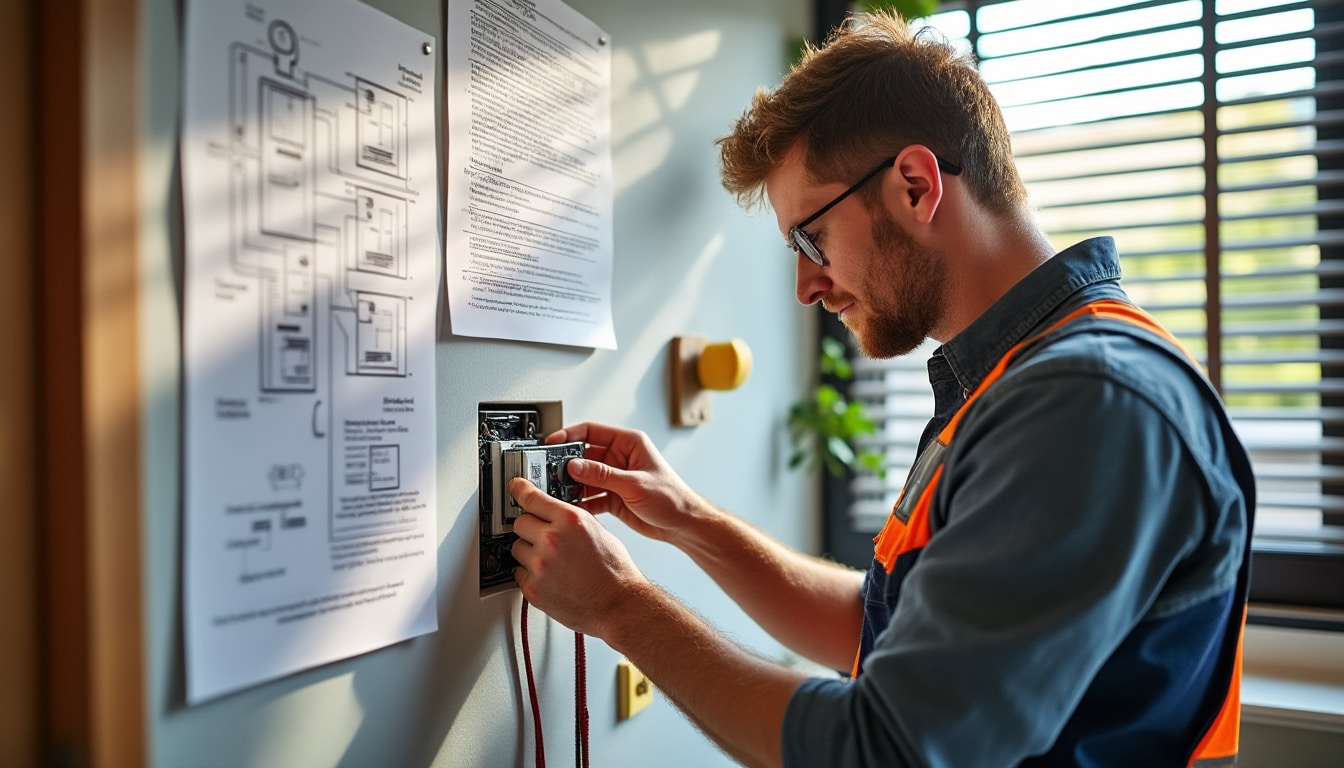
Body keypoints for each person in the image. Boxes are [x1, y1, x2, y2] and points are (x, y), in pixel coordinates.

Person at [508, 10, 1255, 767]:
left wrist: (620, 609)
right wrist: (688, 519)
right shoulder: (1016, 382)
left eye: (811, 238)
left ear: (914, 185)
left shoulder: (1088, 401)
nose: (805, 285)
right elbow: (879, 631)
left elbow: (886, 750)